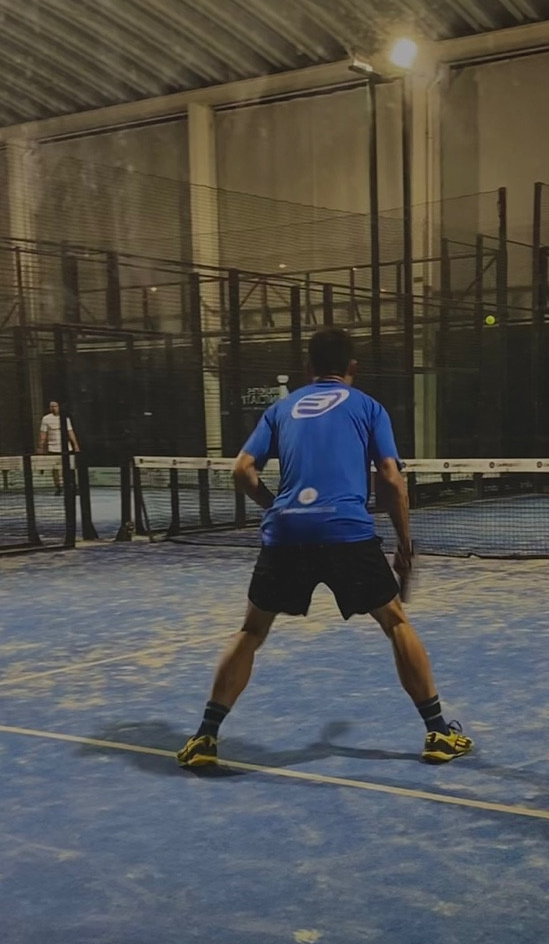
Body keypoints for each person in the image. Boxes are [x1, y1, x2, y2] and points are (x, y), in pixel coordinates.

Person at [177, 326, 472, 769]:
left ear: (307, 368)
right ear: (352, 367)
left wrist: (277, 507)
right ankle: (438, 732)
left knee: (251, 632)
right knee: (395, 622)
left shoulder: (280, 409)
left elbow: (242, 470)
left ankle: (205, 737)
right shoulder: (368, 407)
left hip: (286, 535)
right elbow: (391, 479)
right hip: (346, 533)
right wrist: (404, 542)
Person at [38, 400, 79, 495]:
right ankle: (58, 487)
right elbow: (43, 433)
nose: (53, 408)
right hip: (53, 448)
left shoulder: (65, 418)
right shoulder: (46, 419)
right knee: (55, 469)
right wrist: (41, 446)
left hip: (66, 448)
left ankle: (73, 486)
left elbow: (70, 432)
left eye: (55, 406)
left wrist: (75, 445)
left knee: (71, 468)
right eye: (51, 406)